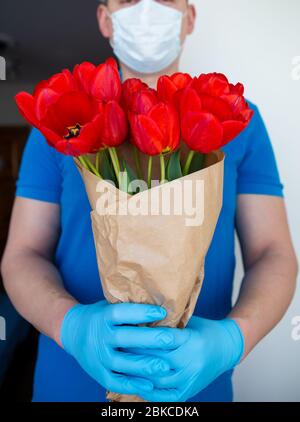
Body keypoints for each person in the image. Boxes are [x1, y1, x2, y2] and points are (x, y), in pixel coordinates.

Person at [1, 0, 298, 403]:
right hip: (67, 384)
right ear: (106, 20)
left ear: (189, 17)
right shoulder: (58, 122)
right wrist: (70, 326)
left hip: (197, 390)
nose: (146, 7)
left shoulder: (235, 117)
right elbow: (21, 253)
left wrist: (233, 338)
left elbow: (274, 251)